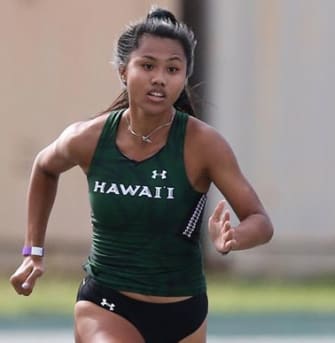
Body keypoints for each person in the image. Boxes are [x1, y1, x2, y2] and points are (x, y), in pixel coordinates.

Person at [9, 7, 273, 343]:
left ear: (184, 76)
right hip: (107, 303)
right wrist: (33, 252)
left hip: (184, 311)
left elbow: (260, 220)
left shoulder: (203, 144)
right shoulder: (89, 138)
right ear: (123, 71)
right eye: (147, 66)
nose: (160, 78)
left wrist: (235, 237)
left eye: (173, 69)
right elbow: (45, 167)